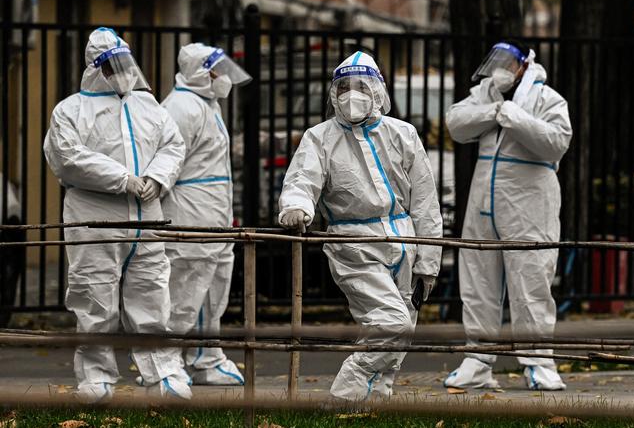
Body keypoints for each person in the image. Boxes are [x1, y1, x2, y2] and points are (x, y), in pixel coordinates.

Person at [278, 51, 443, 401]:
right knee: (393, 326)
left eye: (361, 86)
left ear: (378, 91)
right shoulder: (320, 137)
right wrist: (296, 207)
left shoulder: (403, 134)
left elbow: (426, 201)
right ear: (333, 94)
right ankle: (344, 395)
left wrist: (429, 263)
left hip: (406, 242)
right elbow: (302, 180)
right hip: (354, 245)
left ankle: (376, 403)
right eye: (343, 88)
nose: (351, 95)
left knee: (400, 335)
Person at [44, 27, 190, 403]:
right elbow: (67, 157)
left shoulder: (147, 106)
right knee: (94, 295)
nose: (124, 72)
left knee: (152, 292)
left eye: (126, 64)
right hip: (95, 213)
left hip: (147, 214)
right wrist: (122, 179)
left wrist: (157, 178)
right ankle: (96, 378)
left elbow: (173, 144)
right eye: (114, 65)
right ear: (96, 68)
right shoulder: (71, 110)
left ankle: (164, 374)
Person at [445, 40, 572, 390]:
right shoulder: (486, 94)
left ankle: (539, 363)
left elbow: (558, 141)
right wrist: (493, 112)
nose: (500, 68)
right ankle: (478, 360)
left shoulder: (547, 99)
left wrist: (516, 118)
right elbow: (455, 123)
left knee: (531, 279)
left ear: (524, 66)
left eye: (508, 62)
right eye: (496, 61)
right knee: (477, 280)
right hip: (483, 200)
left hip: (529, 204)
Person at [161, 43, 251, 385]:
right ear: (201, 72)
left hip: (212, 214)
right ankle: (165, 360)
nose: (224, 77)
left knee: (213, 288)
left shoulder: (206, 104)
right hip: (189, 213)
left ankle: (205, 355)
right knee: (184, 289)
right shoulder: (181, 108)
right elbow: (167, 164)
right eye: (217, 71)